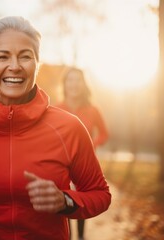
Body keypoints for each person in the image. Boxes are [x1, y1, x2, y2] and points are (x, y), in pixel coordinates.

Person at [0, 16, 111, 240]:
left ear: (36, 65)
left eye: (25, 57)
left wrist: (65, 201)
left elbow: (100, 194)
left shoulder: (69, 127)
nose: (14, 67)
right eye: (3, 57)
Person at [56, 67, 110, 240]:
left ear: (84, 84)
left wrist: (91, 144)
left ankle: (80, 236)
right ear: (64, 84)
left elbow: (104, 133)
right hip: (62, 164)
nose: (74, 84)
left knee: (81, 201)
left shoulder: (93, 110)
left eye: (78, 80)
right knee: (64, 202)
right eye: (70, 80)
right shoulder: (56, 109)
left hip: (84, 165)